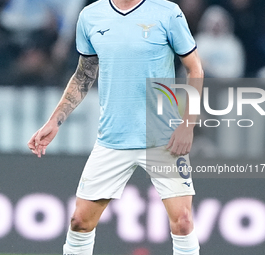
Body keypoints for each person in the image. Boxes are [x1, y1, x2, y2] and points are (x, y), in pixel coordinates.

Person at [28, 0, 204, 254]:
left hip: (163, 138)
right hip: (113, 138)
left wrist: (187, 125)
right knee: (79, 222)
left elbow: (195, 68)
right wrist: (55, 121)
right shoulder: (90, 16)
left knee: (183, 222)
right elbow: (84, 75)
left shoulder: (167, 12)